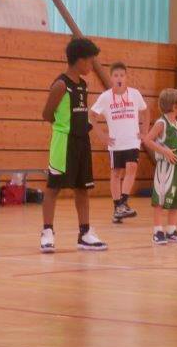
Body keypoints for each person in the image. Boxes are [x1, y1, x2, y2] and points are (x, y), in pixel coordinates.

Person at [39, 38, 108, 253]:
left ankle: (84, 233)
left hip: (82, 142)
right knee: (53, 187)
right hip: (64, 142)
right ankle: (47, 232)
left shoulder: (83, 85)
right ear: (79, 60)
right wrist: (64, 128)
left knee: (82, 188)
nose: (92, 65)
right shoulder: (61, 85)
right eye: (90, 61)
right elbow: (47, 114)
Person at [89, 62, 148, 224]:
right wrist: (102, 135)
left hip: (133, 140)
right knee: (116, 173)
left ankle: (123, 203)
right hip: (116, 142)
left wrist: (144, 132)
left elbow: (145, 111)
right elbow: (91, 115)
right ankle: (117, 208)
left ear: (126, 77)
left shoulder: (135, 94)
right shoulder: (105, 97)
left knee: (132, 167)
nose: (119, 78)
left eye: (122, 75)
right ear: (111, 78)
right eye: (116, 75)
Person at [143, 88, 177, 245]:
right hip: (165, 168)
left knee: (175, 199)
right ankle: (157, 231)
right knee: (160, 199)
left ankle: (171, 230)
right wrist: (165, 151)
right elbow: (147, 140)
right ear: (174, 106)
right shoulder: (161, 123)